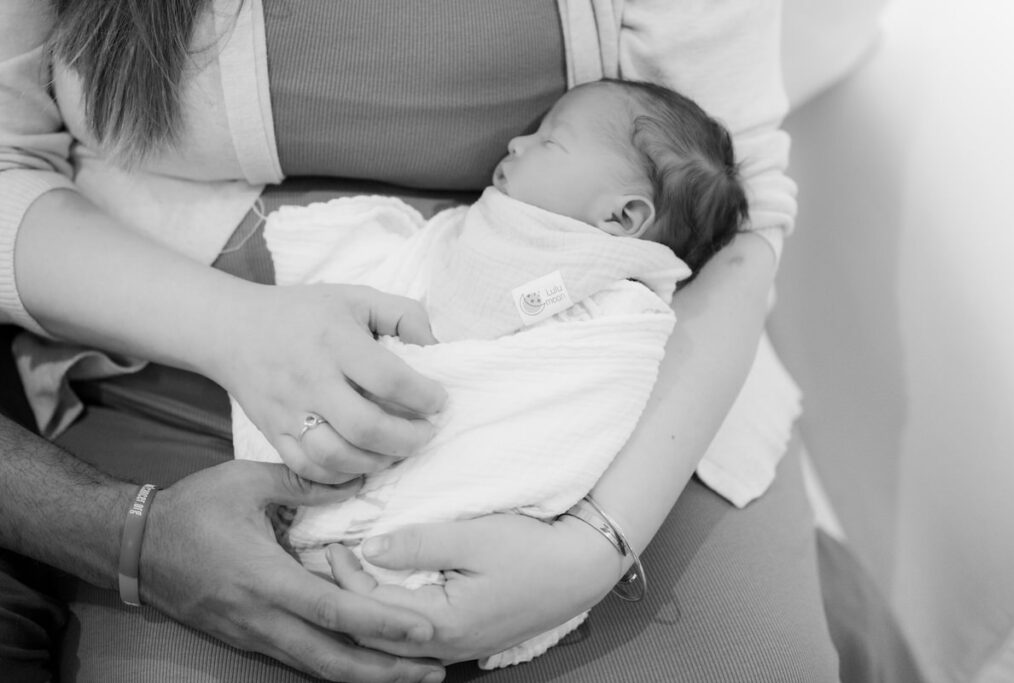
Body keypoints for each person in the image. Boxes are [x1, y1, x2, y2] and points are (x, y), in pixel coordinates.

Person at [0, 2, 839, 683]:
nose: (518, 148)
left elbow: (741, 219)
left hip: (629, 405)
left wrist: (591, 542)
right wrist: (235, 327)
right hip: (180, 351)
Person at [231, 78, 744, 668]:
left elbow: (489, 326)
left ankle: (390, 535)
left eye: (551, 142)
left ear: (623, 216)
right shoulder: (507, 236)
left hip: (477, 493)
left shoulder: (611, 305)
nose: (518, 143)